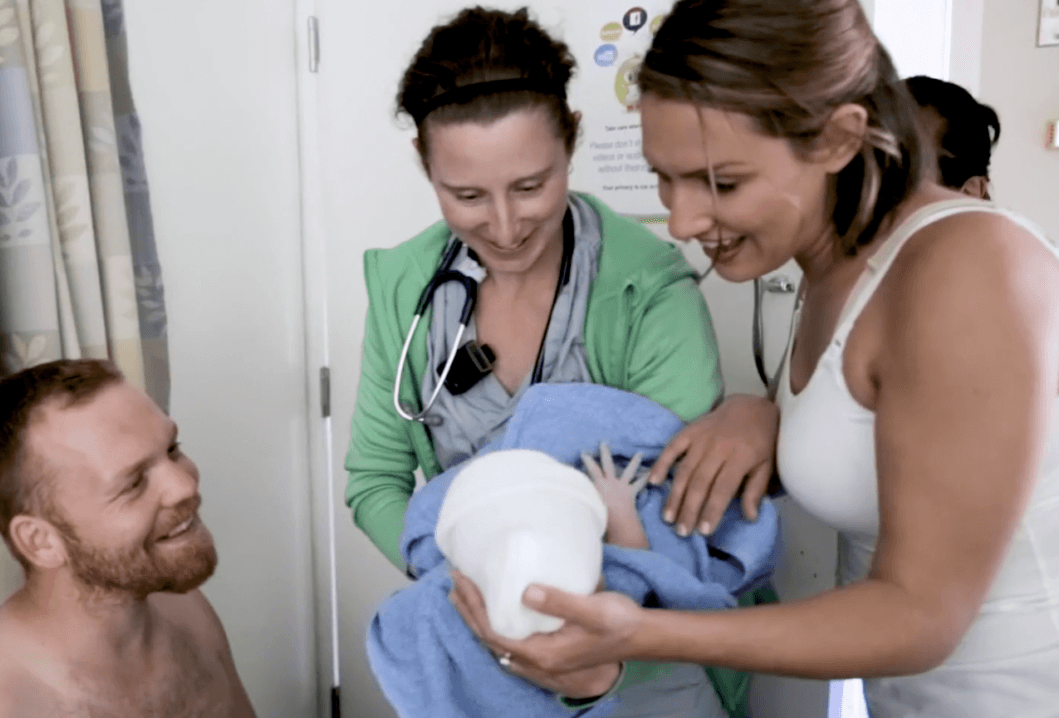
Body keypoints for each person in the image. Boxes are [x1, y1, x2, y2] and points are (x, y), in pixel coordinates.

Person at [450, 1, 1059, 716]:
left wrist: (645, 633)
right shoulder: (834, 269)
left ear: (838, 138)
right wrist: (766, 414)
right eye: (664, 177)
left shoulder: (968, 268)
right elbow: (892, 419)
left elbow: (920, 615)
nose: (681, 221)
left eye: (721, 183)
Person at [344, 6, 764, 715]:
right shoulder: (403, 290)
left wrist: (565, 614)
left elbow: (675, 514)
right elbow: (374, 479)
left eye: (531, 187)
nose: (503, 229)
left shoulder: (647, 292)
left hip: (643, 654)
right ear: (426, 166)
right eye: (467, 196)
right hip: (477, 635)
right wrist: (474, 581)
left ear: (570, 141)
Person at [0, 359, 256, 718]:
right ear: (41, 541)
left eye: (172, 448)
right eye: (133, 483)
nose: (185, 486)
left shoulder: (185, 610)